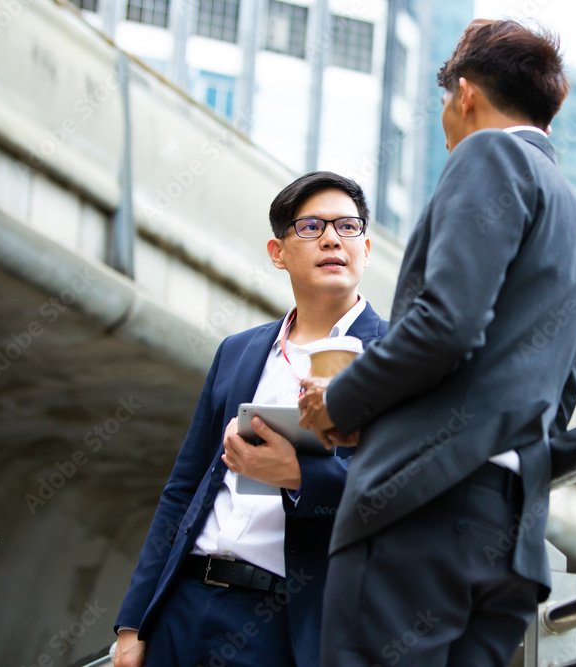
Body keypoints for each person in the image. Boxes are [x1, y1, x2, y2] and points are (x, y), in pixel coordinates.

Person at [298, 19, 576, 666]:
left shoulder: (490, 154)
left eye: (444, 100)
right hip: (508, 540)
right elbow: (560, 396)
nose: (444, 120)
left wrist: (342, 402)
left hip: (421, 511)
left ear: (465, 93)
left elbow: (448, 324)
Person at [112, 171, 387, 667]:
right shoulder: (238, 352)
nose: (331, 238)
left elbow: (404, 487)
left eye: (347, 227)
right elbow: (183, 488)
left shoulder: (398, 357)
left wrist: (302, 476)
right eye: (310, 227)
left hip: (286, 621)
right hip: (184, 603)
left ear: (365, 247)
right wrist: (134, 622)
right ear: (277, 252)